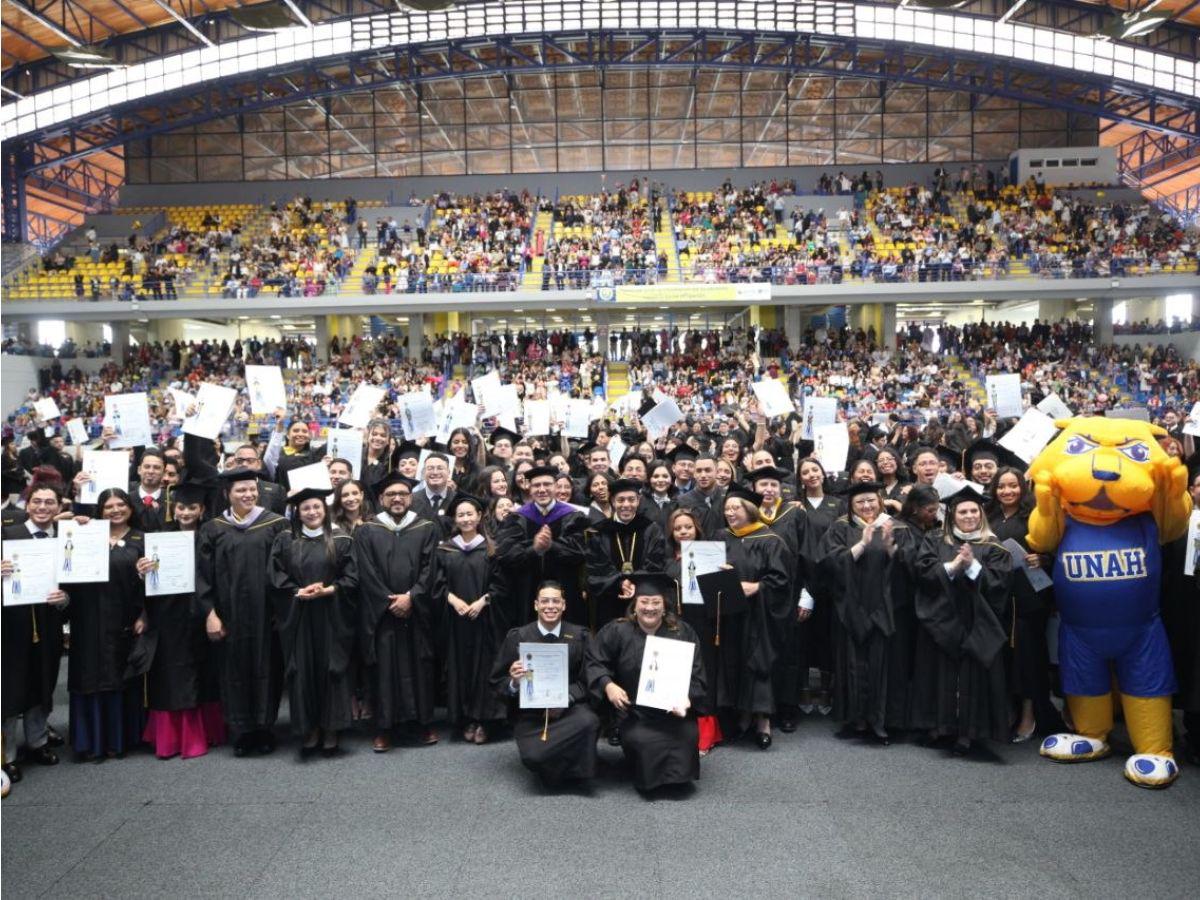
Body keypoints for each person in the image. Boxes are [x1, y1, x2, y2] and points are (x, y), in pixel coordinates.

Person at [195, 467, 290, 756]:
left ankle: (264, 728)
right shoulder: (213, 529)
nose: (248, 494)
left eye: (252, 489)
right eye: (241, 490)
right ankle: (242, 730)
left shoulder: (276, 524)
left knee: (267, 669)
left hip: (267, 615)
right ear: (228, 494)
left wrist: (282, 612)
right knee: (232, 671)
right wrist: (209, 613)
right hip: (229, 615)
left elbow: (287, 569)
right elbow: (202, 575)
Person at [911, 487, 1014, 755]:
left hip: (975, 623)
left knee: (972, 677)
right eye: (962, 511)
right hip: (941, 620)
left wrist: (971, 566)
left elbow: (999, 585)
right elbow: (922, 572)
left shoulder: (994, 546)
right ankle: (940, 726)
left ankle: (970, 732)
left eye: (973, 511)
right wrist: (953, 566)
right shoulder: (935, 540)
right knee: (939, 674)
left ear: (981, 514)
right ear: (952, 516)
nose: (968, 516)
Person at [585, 572, 707, 793]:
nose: (649, 608)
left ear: (664, 605)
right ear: (634, 604)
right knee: (646, 742)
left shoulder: (682, 632)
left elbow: (697, 675)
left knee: (687, 736)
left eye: (656, 602)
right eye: (644, 602)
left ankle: (674, 777)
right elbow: (595, 660)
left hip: (673, 710)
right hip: (634, 712)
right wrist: (608, 685)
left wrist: (686, 700)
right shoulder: (617, 630)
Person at [352, 472, 441, 752]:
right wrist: (390, 601)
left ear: (411, 497)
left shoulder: (426, 527)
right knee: (384, 670)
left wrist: (412, 596)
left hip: (416, 612)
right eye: (391, 494)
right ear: (381, 499)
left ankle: (423, 723)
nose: (398, 498)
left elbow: (432, 567)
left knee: (420, 666)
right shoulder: (366, 530)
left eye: (403, 493)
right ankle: (384, 728)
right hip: (383, 614)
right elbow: (365, 571)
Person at [137, 479, 223, 760]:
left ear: (201, 510)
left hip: (202, 612)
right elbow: (148, 581)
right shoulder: (160, 538)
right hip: (169, 615)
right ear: (174, 509)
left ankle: (207, 731)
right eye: (181, 508)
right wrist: (143, 570)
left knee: (203, 670)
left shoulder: (211, 536)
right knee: (172, 673)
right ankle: (174, 737)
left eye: (192, 508)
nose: (186, 513)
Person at [269, 487, 359, 757]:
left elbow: (353, 578)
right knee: (303, 672)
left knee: (331, 669)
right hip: (299, 616)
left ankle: (332, 729)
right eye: (306, 508)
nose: (312, 512)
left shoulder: (342, 539)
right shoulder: (285, 540)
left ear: (325, 509)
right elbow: (275, 576)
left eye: (317, 507)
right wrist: (297, 592)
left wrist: (329, 590)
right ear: (298, 511)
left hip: (332, 615)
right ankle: (310, 730)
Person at [490, 581, 600, 786]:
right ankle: (550, 764)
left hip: (570, 709)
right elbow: (497, 682)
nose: (550, 606)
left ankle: (574, 774)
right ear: (536, 605)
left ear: (564, 605)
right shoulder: (518, 637)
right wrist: (514, 682)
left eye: (555, 601)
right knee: (533, 756)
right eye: (545, 601)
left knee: (589, 722)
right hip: (532, 714)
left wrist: (565, 698)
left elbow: (589, 679)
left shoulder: (580, 636)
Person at [66, 488, 146, 761]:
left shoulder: (141, 539)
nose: (115, 510)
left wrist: (144, 615)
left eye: (120, 504)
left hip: (124, 619)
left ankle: (117, 740)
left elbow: (154, 585)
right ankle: (89, 741)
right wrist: (74, 527)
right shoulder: (86, 534)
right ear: (99, 511)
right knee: (87, 673)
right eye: (108, 506)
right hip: (87, 617)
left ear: (130, 508)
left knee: (118, 674)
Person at [816, 482, 899, 745]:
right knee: (850, 665)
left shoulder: (892, 527)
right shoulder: (841, 527)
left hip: (882, 608)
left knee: (879, 666)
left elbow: (907, 565)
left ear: (880, 501)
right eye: (860, 502)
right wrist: (862, 544)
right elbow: (829, 562)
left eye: (871, 501)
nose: (866, 506)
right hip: (849, 608)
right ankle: (855, 720)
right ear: (851, 505)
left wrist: (889, 548)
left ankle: (878, 722)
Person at [987, 466, 1062, 741]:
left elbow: (1055, 548)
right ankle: (1008, 708)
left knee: (1028, 657)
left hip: (1029, 596)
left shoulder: (1035, 516)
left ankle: (1030, 714)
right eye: (1001, 486)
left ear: (1023, 487)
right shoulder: (988, 515)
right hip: (997, 596)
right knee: (1003, 657)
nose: (1007, 491)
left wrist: (1042, 559)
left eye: (1013, 485)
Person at [1, 483, 70, 784]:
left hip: (48, 621)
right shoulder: (7, 535)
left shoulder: (64, 538)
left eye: (50, 502)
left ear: (58, 507)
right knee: (10, 687)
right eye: (38, 502)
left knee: (43, 681)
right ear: (27, 505)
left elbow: (76, 580)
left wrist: (66, 599)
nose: (43, 507)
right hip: (11, 623)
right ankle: (6, 756)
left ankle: (38, 741)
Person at [432, 495, 509, 744]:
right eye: (460, 515)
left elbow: (502, 585)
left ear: (479, 516)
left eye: (470, 514)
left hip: (484, 620)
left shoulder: (491, 548)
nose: (465, 519)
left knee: (484, 668)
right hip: (456, 621)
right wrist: (452, 599)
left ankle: (483, 720)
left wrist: (483, 601)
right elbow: (436, 582)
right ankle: (464, 718)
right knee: (460, 668)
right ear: (455, 519)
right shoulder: (445, 549)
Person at [719, 484, 792, 749]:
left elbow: (782, 580)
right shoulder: (721, 537)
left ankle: (763, 720)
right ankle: (742, 716)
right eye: (726, 509)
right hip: (730, 613)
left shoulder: (770, 540)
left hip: (759, 614)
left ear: (749, 509)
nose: (729, 513)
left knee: (757, 662)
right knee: (733, 660)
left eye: (735, 507)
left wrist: (758, 587)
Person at [748, 465, 810, 733]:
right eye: (763, 485)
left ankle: (787, 708)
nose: (769, 490)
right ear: (754, 489)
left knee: (789, 653)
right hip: (756, 598)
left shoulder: (794, 513)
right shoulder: (745, 516)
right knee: (758, 652)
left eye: (774, 485)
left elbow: (808, 554)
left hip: (789, 596)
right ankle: (760, 708)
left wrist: (807, 594)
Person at [495, 465, 589, 626]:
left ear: (556, 487)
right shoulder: (516, 518)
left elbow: (580, 552)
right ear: (529, 488)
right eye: (536, 485)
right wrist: (535, 549)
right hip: (525, 595)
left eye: (547, 484)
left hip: (566, 592)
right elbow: (505, 555)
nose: (542, 489)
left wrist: (551, 545)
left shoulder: (573, 516)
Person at [663, 508, 722, 755]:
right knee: (677, 673)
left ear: (697, 529)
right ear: (672, 533)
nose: (683, 532)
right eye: (678, 528)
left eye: (688, 527)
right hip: (674, 623)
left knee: (703, 671)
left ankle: (707, 730)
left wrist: (723, 573)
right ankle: (676, 726)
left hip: (703, 622)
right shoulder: (666, 561)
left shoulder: (711, 555)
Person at [585, 478, 667, 629]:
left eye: (631, 499)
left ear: (638, 500)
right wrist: (620, 582)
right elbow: (597, 568)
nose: (626, 505)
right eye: (620, 500)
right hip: (609, 601)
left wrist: (636, 583)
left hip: (643, 600)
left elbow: (655, 563)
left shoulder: (651, 529)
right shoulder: (598, 531)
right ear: (612, 502)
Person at [796, 457, 842, 715]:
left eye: (815, 470)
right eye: (805, 472)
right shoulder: (795, 507)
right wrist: (805, 588)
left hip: (830, 580)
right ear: (799, 478)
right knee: (803, 637)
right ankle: (803, 688)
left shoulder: (838, 505)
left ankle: (825, 690)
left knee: (827, 636)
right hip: (804, 578)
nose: (811, 474)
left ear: (823, 474)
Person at [675, 453, 726, 539]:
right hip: (694, 550)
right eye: (699, 471)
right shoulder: (682, 501)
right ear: (694, 474)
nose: (703, 475)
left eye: (707, 470)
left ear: (717, 472)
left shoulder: (727, 498)